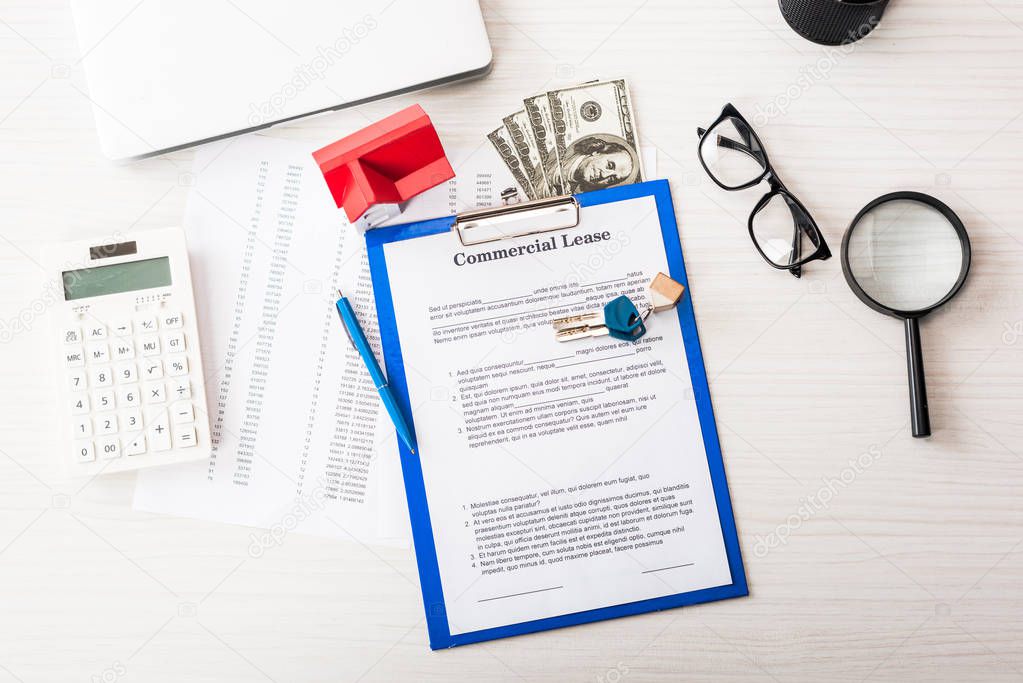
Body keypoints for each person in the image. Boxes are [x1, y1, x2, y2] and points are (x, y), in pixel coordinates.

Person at [562, 134, 640, 192]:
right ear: (597, 151)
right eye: (609, 166)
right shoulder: (561, 156)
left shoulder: (567, 193)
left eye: (611, 179)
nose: (604, 175)